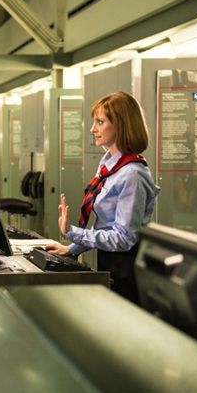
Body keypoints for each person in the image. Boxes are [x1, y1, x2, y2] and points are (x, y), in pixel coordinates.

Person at [46, 91, 160, 304]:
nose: (93, 129)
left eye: (100, 122)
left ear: (120, 125)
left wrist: (73, 232)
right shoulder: (109, 164)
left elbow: (123, 238)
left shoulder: (132, 174)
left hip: (126, 269)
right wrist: (72, 249)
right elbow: (104, 226)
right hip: (108, 260)